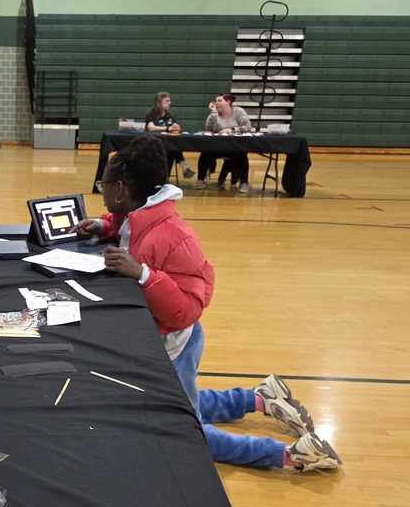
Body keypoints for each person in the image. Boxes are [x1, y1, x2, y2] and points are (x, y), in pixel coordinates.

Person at [75, 136, 341, 473]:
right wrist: (102, 225)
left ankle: (288, 454)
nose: (101, 188)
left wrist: (143, 275)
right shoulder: (139, 212)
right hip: (161, 340)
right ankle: (260, 398)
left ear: (120, 189)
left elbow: (187, 308)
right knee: (181, 403)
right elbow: (125, 227)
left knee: (185, 428)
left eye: (104, 182)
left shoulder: (174, 235)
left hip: (176, 344)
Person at [195, 93, 252, 193]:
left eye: (220, 101)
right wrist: (213, 113)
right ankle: (200, 179)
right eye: (216, 101)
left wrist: (232, 130)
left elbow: (248, 127)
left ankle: (244, 182)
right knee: (205, 153)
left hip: (235, 147)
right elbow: (209, 130)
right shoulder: (213, 115)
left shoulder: (238, 111)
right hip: (217, 147)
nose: (216, 103)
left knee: (242, 155)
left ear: (228, 102)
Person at [143, 91, 195, 180]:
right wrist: (167, 128)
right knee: (172, 148)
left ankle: (166, 177)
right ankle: (183, 167)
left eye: (169, 101)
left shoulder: (171, 115)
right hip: (154, 144)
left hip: (168, 144)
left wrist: (177, 127)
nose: (169, 103)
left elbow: (175, 126)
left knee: (172, 148)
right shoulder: (151, 115)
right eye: (166, 101)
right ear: (159, 102)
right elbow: (151, 127)